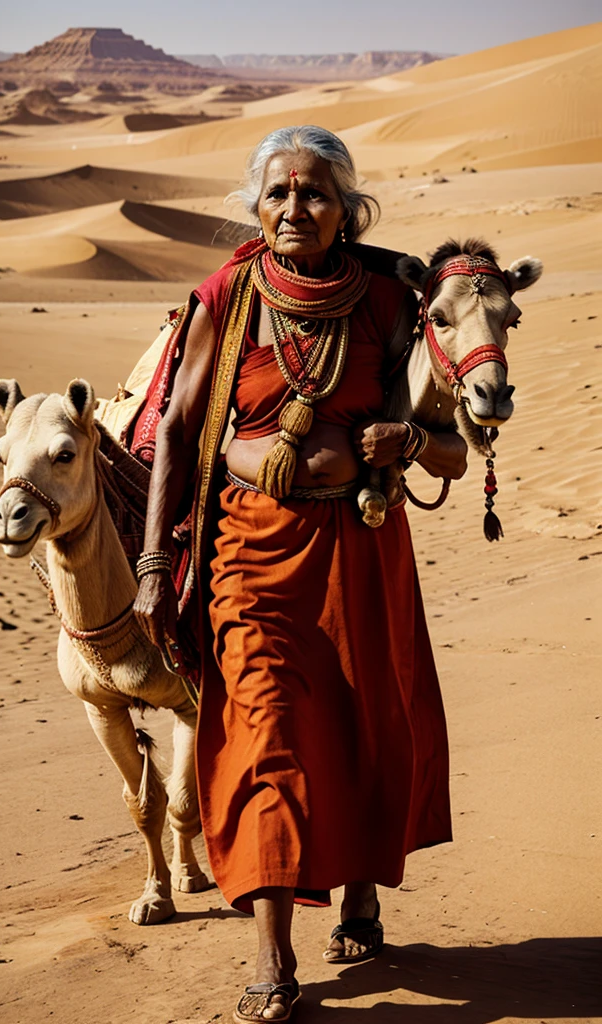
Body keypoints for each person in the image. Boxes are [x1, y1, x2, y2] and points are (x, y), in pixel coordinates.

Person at [132, 125, 466, 1023]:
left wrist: (412, 442)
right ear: (255, 204)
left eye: (314, 193)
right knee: (264, 737)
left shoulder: (394, 302)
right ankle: (273, 954)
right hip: (246, 551)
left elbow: (452, 449)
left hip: (360, 545)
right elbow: (174, 428)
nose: (293, 209)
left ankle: (360, 890)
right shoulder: (226, 297)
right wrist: (160, 559)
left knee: (362, 721)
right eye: (277, 193)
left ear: (347, 209)